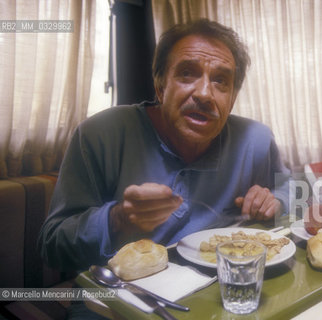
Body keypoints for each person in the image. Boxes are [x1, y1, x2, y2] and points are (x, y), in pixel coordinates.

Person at [38, 19, 290, 273]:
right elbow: (51, 248)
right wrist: (117, 219)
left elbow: (302, 196)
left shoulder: (256, 139)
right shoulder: (99, 135)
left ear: (233, 99)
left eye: (221, 81)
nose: (204, 93)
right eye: (187, 73)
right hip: (119, 300)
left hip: (225, 291)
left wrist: (277, 203)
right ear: (160, 87)